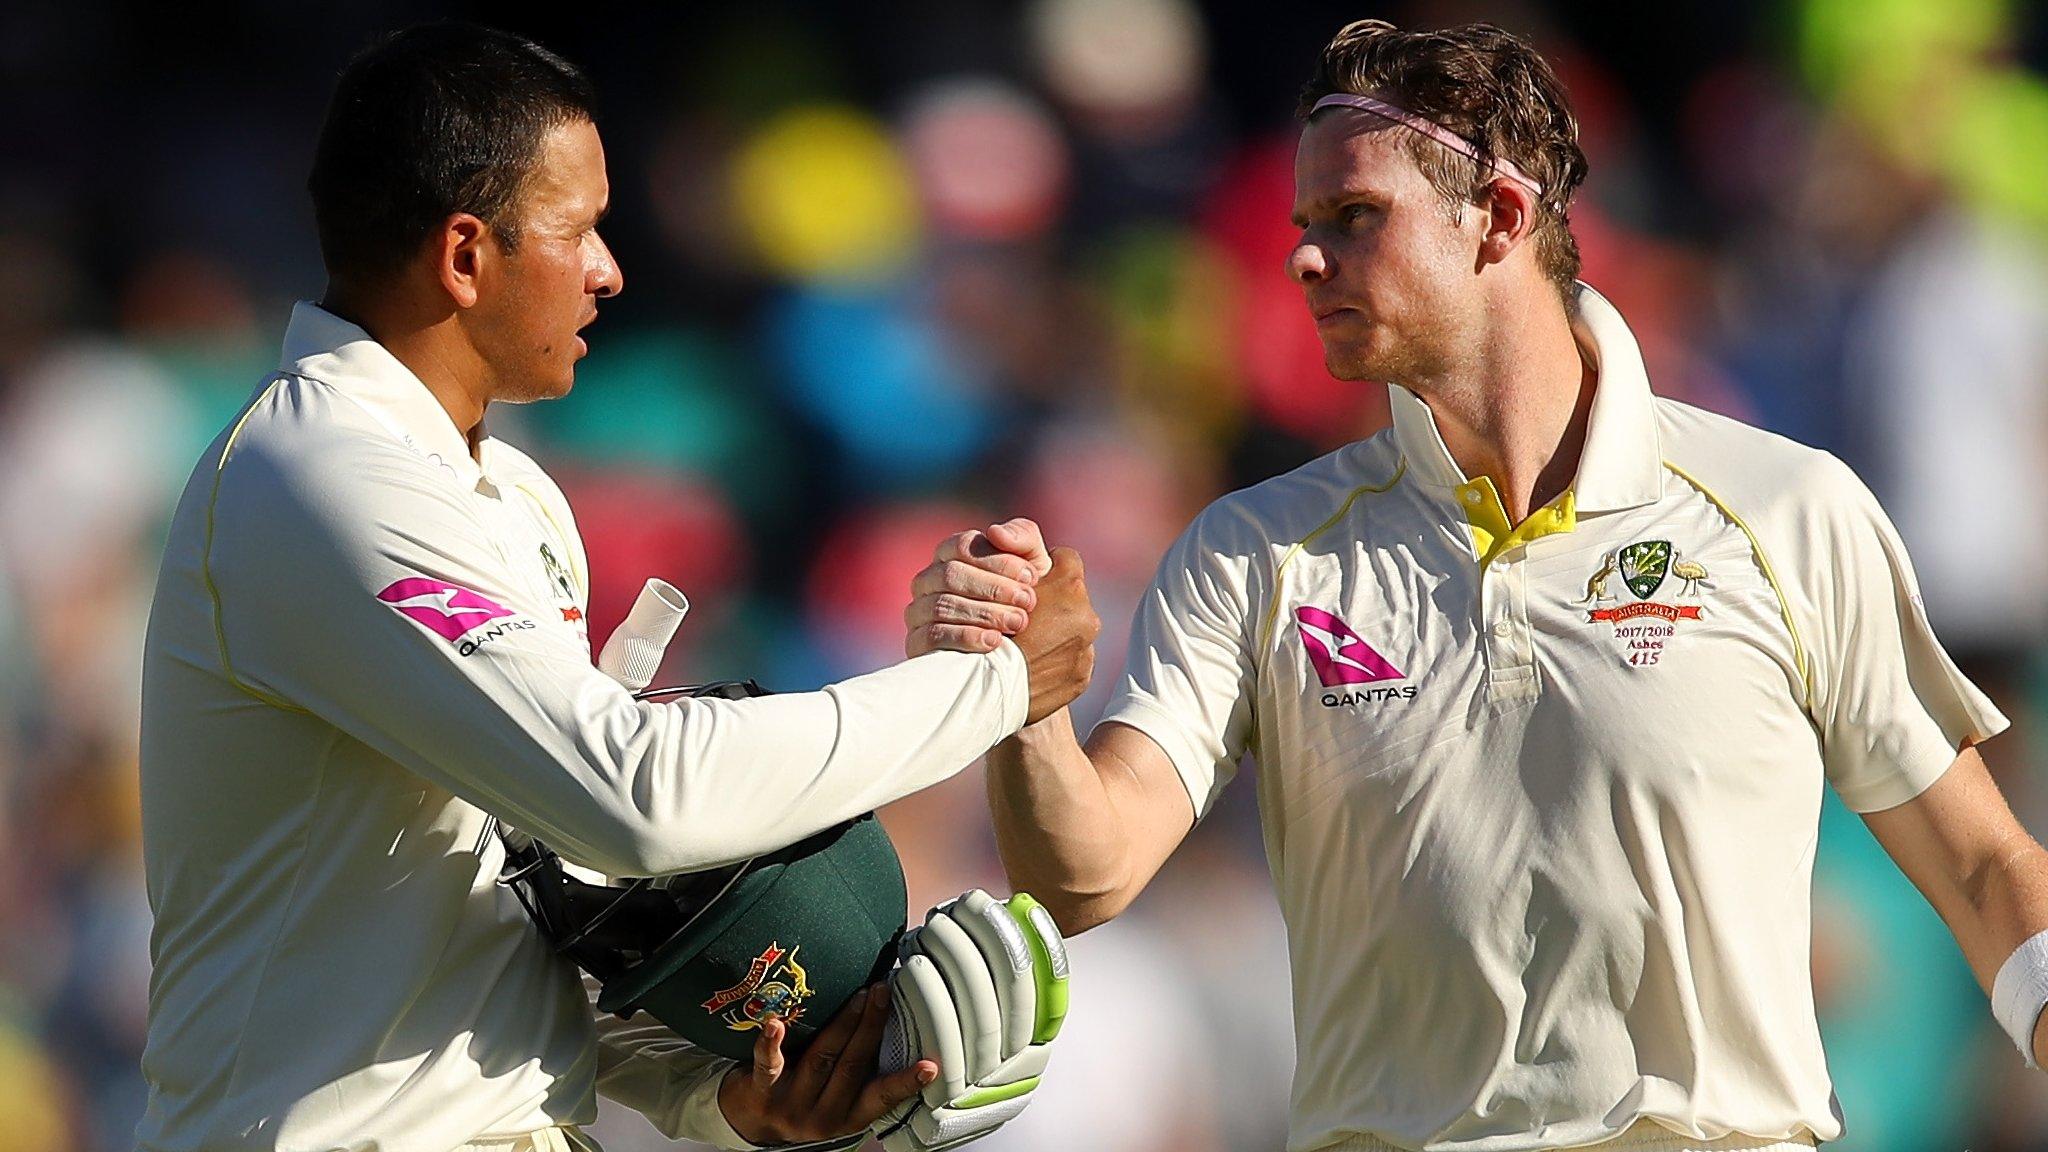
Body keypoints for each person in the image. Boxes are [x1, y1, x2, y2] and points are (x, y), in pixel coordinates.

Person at [907, 19, 2048, 1152]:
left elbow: (1982, 864)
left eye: (1354, 218)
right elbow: (1084, 877)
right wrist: (1030, 706)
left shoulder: (1785, 508)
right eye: (1304, 225)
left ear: (1498, 217)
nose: (1303, 257)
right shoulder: (1252, 550)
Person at [136, 23, 1097, 1152]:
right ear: (463, 254)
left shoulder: (515, 500)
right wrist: (986, 692)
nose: (610, 269)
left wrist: (717, 1099)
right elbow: (630, 798)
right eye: (579, 230)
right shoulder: (320, 474)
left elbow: (531, 901)